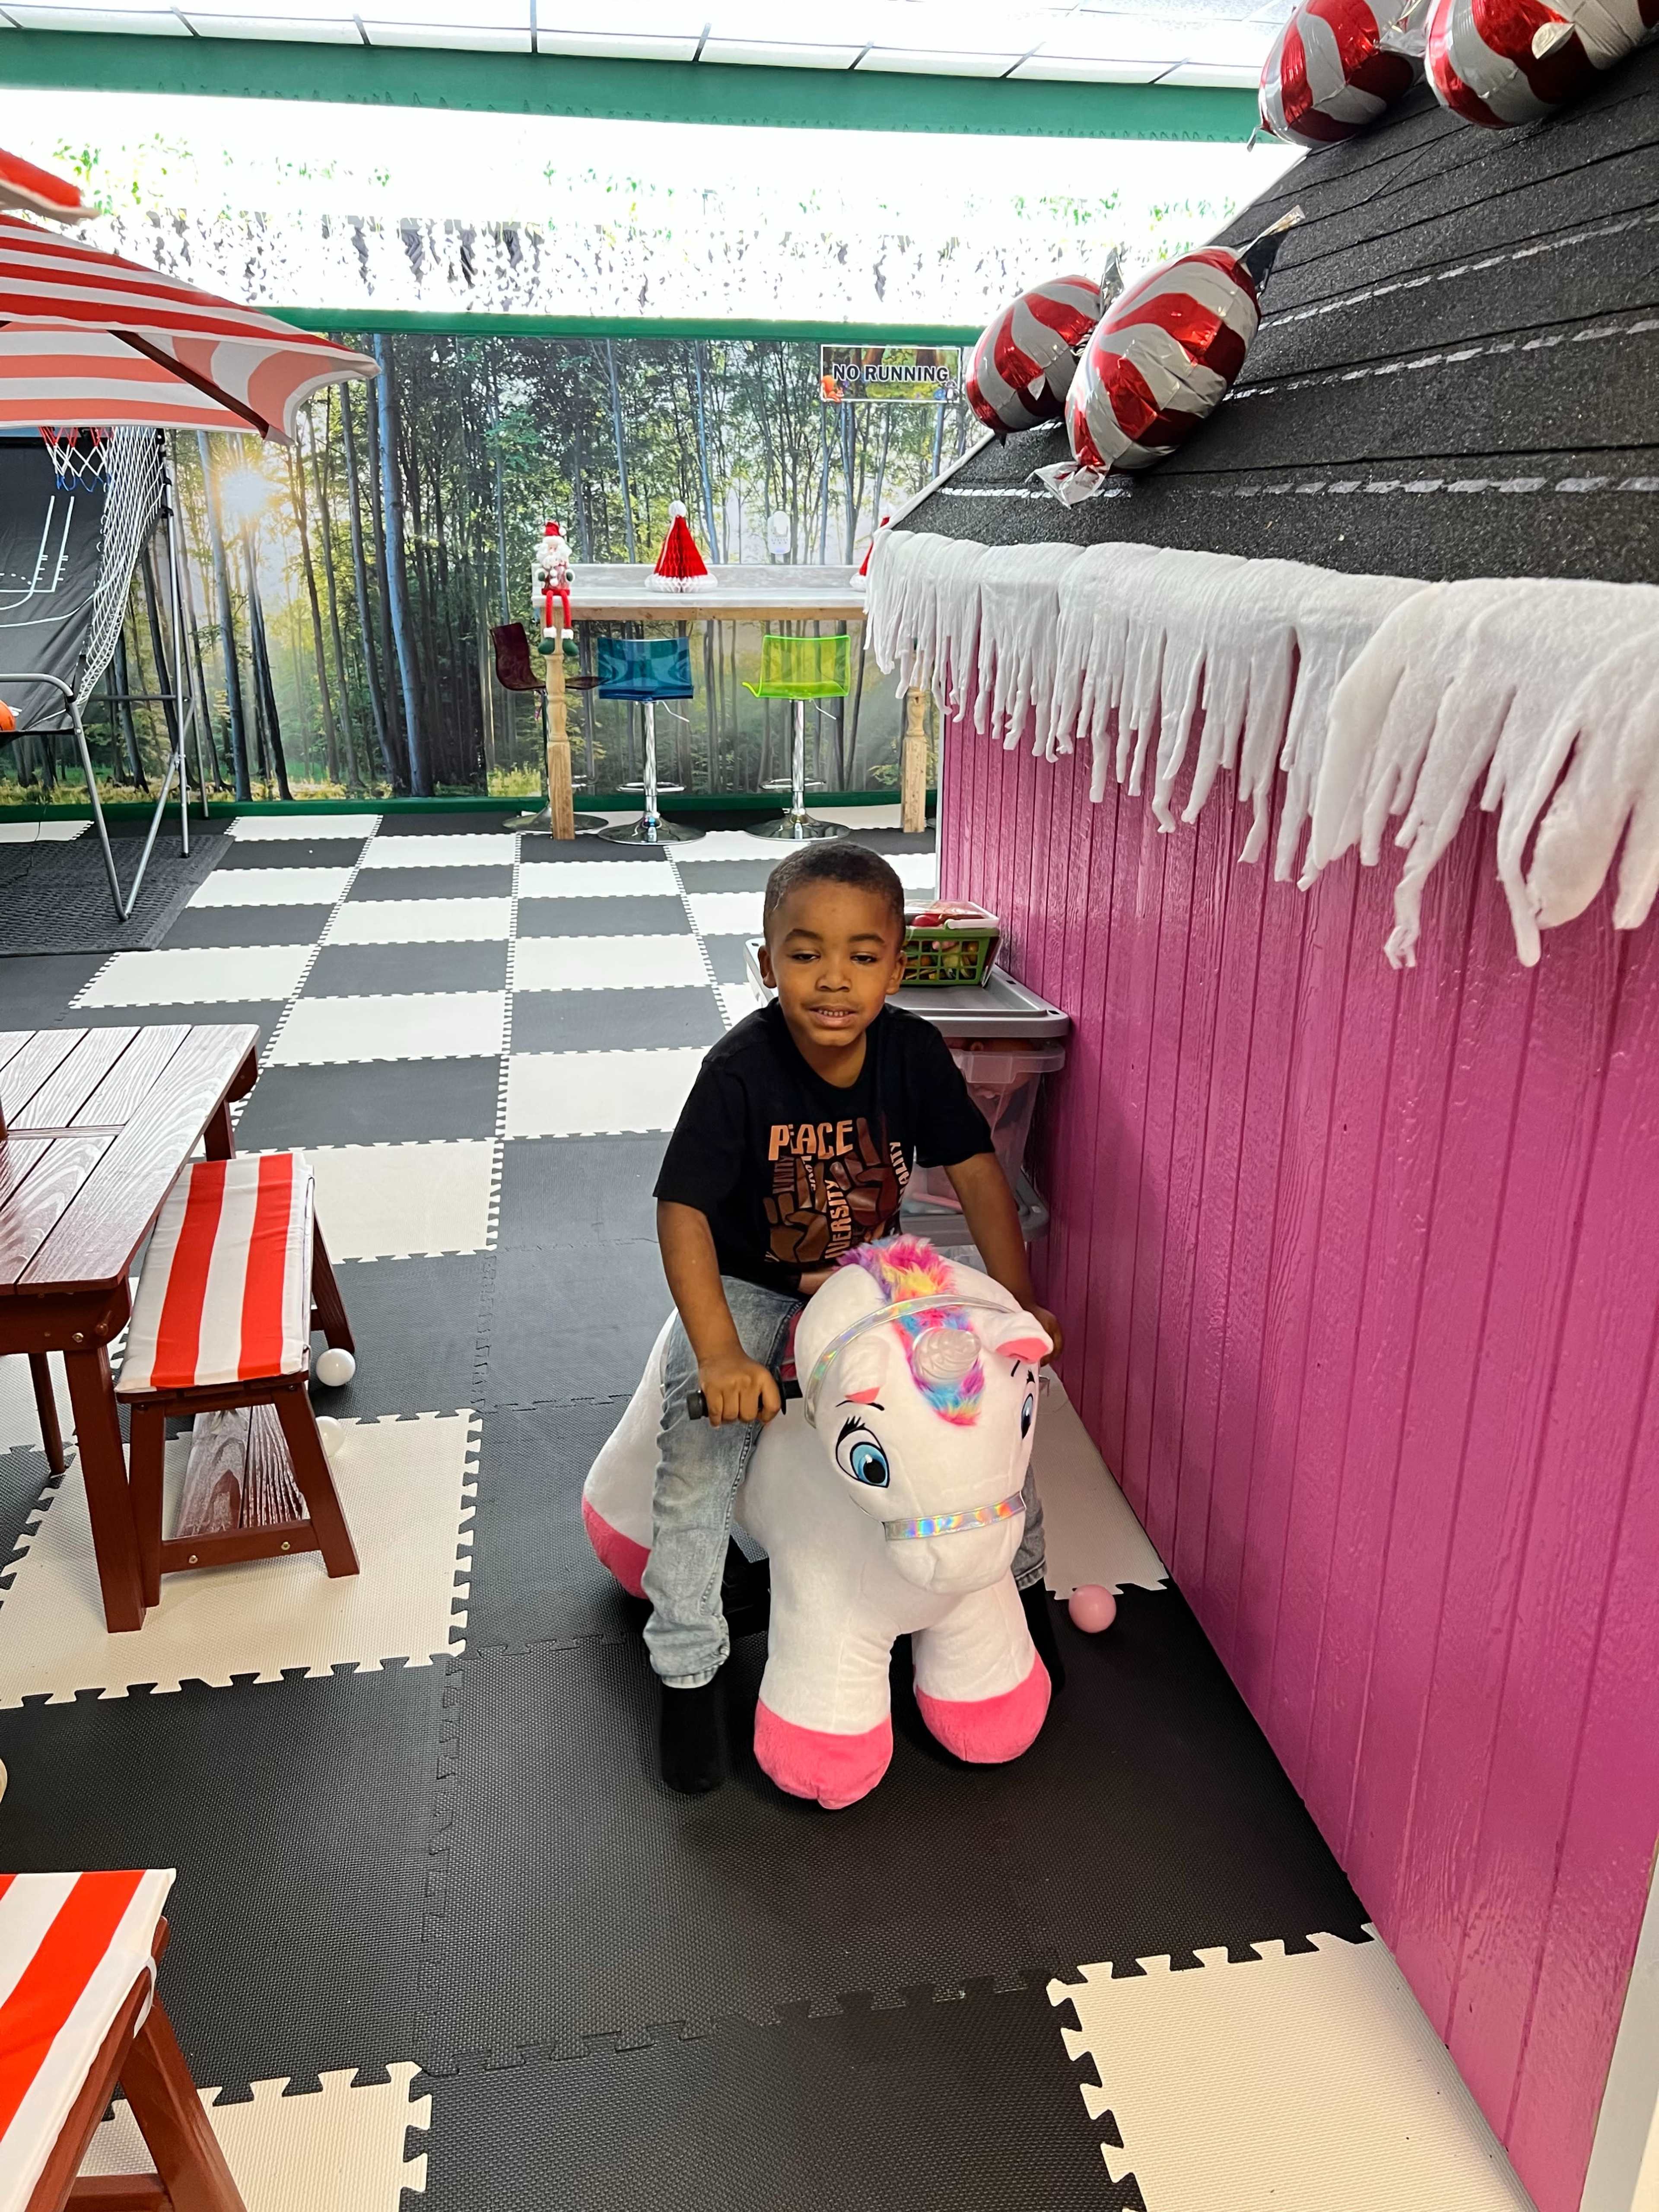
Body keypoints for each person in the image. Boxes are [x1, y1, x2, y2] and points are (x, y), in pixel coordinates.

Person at [649, 839, 1065, 1794]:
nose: (833, 978)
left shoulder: (913, 1051)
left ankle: (1024, 1589)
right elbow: (681, 1212)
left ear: (898, 963)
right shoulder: (739, 1072)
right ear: (766, 965)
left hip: (875, 1277)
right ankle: (687, 1667)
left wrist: (1014, 1297)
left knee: (987, 1412)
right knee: (698, 1460)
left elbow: (976, 1174)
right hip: (757, 1284)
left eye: (862, 954)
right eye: (805, 953)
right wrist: (718, 1351)